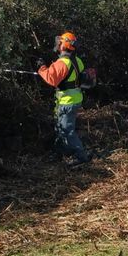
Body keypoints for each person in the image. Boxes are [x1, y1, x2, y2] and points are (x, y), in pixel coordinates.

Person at [36, 31, 92, 165]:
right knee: (60, 128)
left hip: (67, 102)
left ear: (63, 45)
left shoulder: (62, 63)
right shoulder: (77, 61)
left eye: (60, 42)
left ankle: (81, 157)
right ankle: (60, 153)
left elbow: (51, 79)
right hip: (74, 100)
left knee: (67, 131)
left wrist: (41, 67)